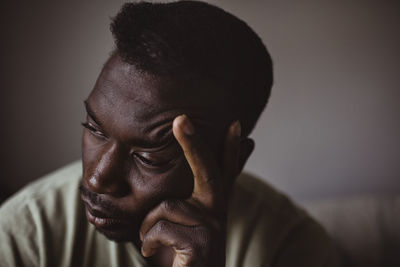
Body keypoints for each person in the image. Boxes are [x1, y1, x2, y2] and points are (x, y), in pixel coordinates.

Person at [0, 1, 341, 266]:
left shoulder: (290, 247)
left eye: (149, 156)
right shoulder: (25, 235)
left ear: (231, 160)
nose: (97, 178)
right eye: (94, 128)